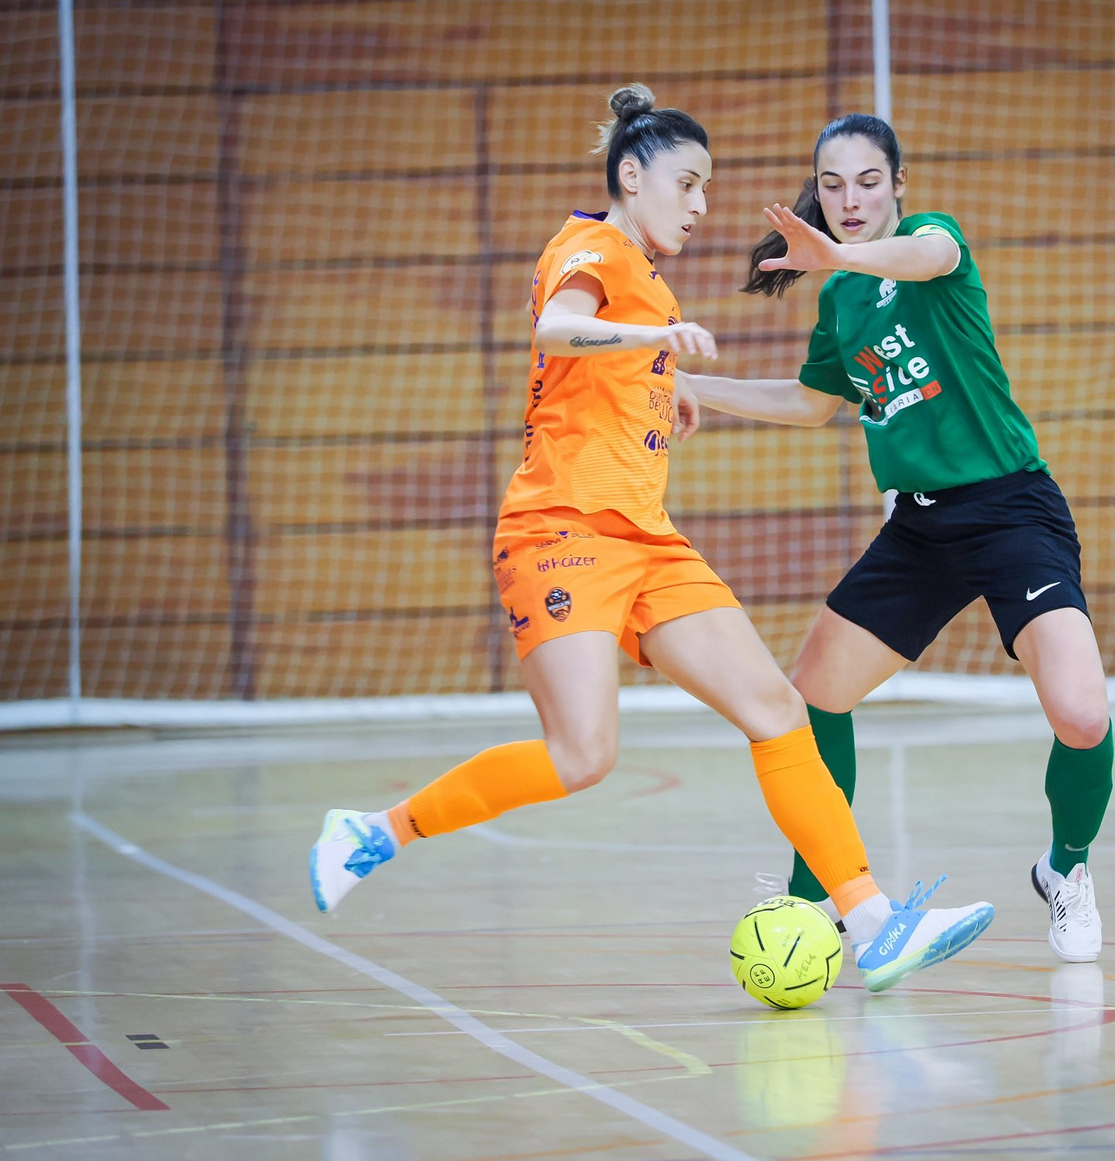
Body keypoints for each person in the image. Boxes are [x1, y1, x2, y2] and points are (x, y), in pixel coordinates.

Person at [306, 86, 994, 995]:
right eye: (688, 184)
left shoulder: (645, 272)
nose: (701, 206)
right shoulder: (591, 246)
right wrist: (656, 336)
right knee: (581, 757)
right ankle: (372, 833)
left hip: (647, 542)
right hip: (562, 534)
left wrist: (659, 384)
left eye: (707, 189)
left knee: (778, 713)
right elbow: (556, 327)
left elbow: (614, 375)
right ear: (631, 177)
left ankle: (871, 926)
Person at [684, 113, 1114, 963]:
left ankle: (1065, 869)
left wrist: (837, 254)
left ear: (898, 184)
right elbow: (811, 403)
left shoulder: (925, 241)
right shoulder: (839, 296)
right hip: (918, 526)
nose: (849, 199)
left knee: (1081, 712)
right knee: (811, 699)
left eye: (868, 181)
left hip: (1010, 510)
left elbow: (931, 259)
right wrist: (687, 383)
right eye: (833, 184)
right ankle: (819, 903)